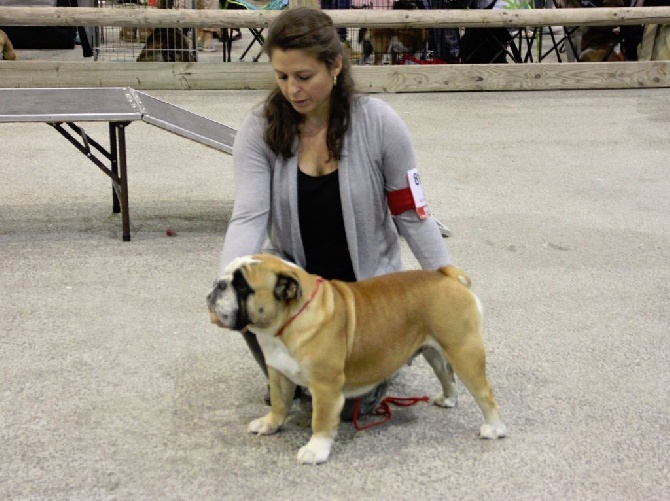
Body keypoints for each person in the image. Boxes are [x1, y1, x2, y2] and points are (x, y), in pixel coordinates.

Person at [218, 6, 452, 420]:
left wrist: (448, 285)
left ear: (337, 65)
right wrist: (227, 284)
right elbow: (249, 217)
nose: (292, 90)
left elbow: (412, 212)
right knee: (256, 313)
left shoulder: (381, 124)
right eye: (282, 77)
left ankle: (361, 366)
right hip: (302, 295)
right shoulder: (259, 129)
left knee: (344, 408)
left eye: (304, 77)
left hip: (368, 300)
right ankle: (305, 375)